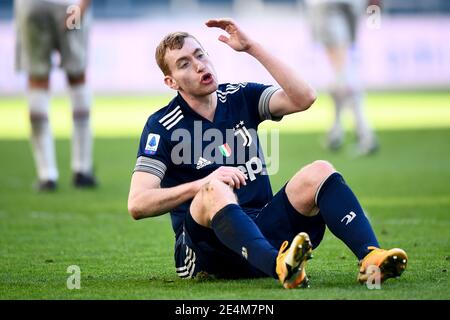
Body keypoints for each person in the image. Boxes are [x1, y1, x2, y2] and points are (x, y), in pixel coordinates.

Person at [127, 18, 407, 289]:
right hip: (206, 251)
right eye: (184, 64)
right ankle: (281, 266)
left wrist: (251, 47)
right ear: (171, 82)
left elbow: (304, 97)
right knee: (214, 190)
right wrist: (203, 184)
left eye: (200, 55)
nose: (199, 65)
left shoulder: (239, 96)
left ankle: (370, 257)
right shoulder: (161, 126)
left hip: (262, 233)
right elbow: (138, 204)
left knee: (320, 170)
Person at [15, 0, 97, 191]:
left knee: (37, 78)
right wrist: (82, 6)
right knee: (77, 75)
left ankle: (46, 174)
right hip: (70, 6)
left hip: (32, 7)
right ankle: (82, 169)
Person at [305, 0, 379, 155]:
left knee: (341, 68)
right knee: (343, 65)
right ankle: (336, 131)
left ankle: (365, 135)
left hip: (325, 4)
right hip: (354, 4)